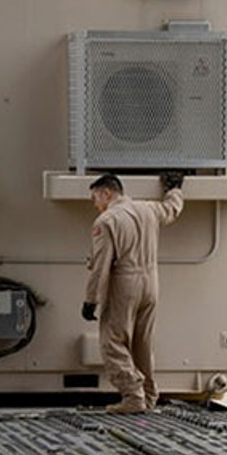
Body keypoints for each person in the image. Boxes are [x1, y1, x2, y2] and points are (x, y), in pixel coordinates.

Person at [81, 171, 184, 413]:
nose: (95, 205)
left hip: (125, 284)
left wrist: (90, 300)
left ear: (107, 193)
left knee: (112, 341)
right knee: (142, 342)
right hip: (151, 281)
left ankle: (132, 395)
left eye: (95, 199)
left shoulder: (107, 221)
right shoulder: (148, 209)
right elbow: (171, 209)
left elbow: (101, 265)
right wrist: (175, 189)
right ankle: (148, 396)